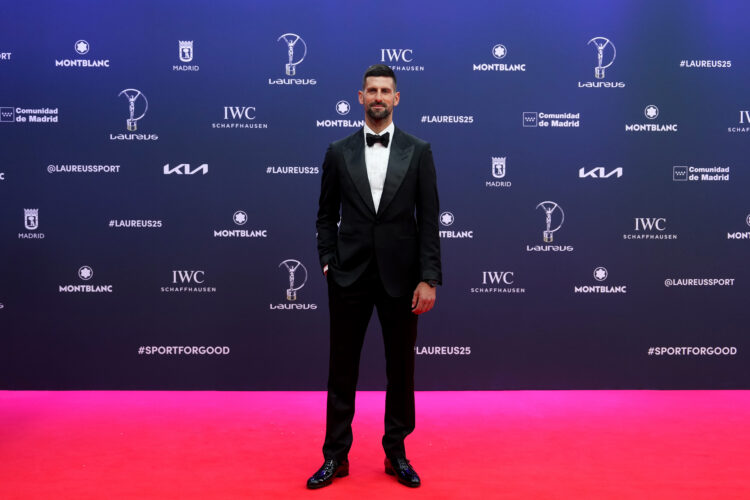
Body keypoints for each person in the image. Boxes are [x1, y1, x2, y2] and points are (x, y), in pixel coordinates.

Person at [308, 64, 442, 489]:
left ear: (396, 98)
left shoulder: (419, 151)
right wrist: (327, 261)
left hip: (402, 279)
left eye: (385, 90)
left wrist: (429, 277)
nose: (379, 97)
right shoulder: (338, 151)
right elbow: (325, 215)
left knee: (401, 370)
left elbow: (430, 220)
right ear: (360, 97)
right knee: (341, 370)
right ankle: (335, 456)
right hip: (348, 276)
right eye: (372, 90)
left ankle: (396, 453)